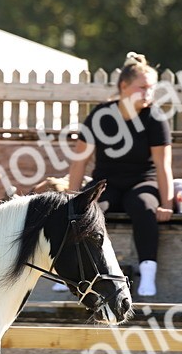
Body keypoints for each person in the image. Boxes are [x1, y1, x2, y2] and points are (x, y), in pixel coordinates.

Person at [65, 52, 172, 297]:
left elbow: (163, 164)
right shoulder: (100, 116)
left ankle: (147, 272)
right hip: (106, 183)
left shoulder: (154, 117)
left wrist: (167, 204)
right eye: (142, 87)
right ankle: (71, 273)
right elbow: (79, 163)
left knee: (143, 206)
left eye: (152, 88)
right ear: (124, 86)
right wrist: (72, 198)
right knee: (84, 212)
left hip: (143, 182)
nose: (149, 93)